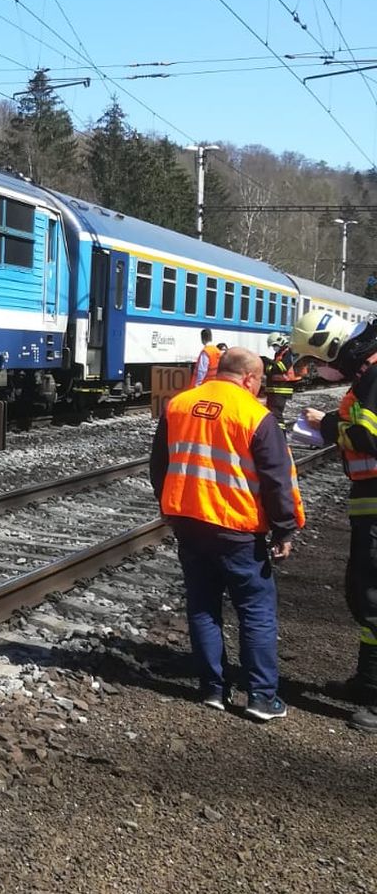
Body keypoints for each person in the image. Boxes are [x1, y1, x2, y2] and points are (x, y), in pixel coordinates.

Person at [150, 347, 305, 720]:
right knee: (255, 610)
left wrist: (170, 506)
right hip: (236, 528)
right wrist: (284, 529)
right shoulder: (255, 415)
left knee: (203, 605)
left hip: (188, 522)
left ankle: (213, 690)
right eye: (261, 382)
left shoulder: (179, 405)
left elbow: (159, 465)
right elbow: (276, 481)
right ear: (250, 378)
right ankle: (262, 698)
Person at [295, 310, 377, 733]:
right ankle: (367, 681)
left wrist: (325, 425)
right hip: (369, 501)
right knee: (364, 594)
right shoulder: (369, 376)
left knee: (375, 597)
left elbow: (371, 438)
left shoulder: (375, 377)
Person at [263, 331, 300, 425]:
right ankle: (277, 435)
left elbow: (281, 367)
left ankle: (280, 436)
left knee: (277, 416)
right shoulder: (280, 353)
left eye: (274, 345)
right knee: (274, 415)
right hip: (276, 389)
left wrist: (268, 365)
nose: (274, 348)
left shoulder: (288, 353)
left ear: (281, 341)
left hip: (281, 389)